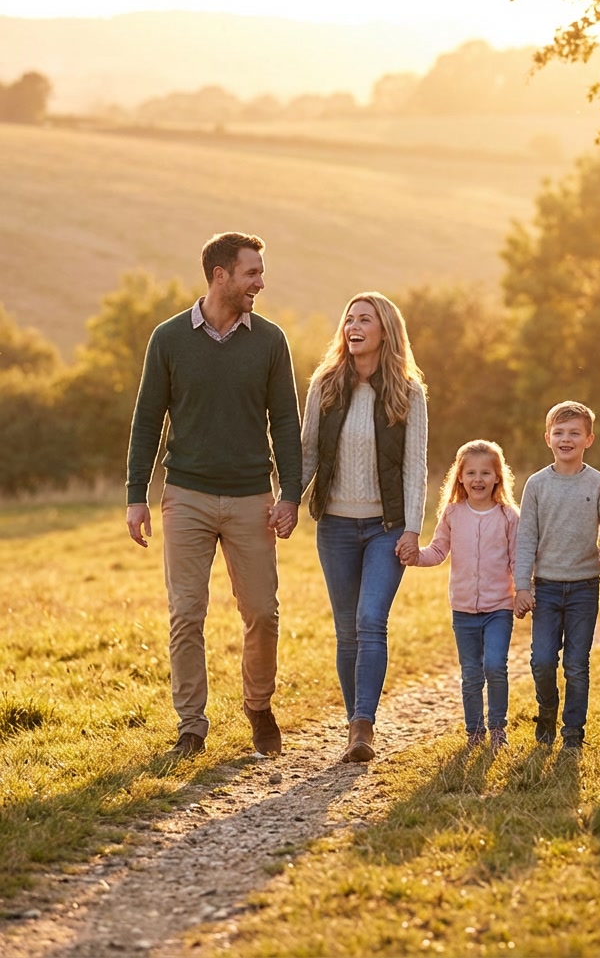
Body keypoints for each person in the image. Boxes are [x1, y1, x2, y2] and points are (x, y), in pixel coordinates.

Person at [126, 231, 302, 758]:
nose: (260, 283)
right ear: (220, 275)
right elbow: (147, 420)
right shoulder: (168, 339)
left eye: (260, 273)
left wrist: (290, 493)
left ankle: (258, 705)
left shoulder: (270, 341)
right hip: (187, 495)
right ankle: (191, 726)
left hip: (252, 497)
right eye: (252, 273)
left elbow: (285, 422)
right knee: (186, 613)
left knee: (262, 612)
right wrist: (136, 494)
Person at [301, 292, 427, 763]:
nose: (353, 326)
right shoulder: (325, 385)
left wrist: (412, 529)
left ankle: (363, 725)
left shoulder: (408, 392)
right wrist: (285, 501)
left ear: (385, 331)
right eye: (349, 319)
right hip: (334, 526)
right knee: (346, 629)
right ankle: (354, 721)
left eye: (364, 320)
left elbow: (415, 466)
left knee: (371, 620)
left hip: (386, 528)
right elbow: (308, 453)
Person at [514, 401, 600, 751]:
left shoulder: (599, 482)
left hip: (584, 587)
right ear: (547, 438)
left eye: (575, 433)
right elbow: (526, 538)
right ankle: (547, 709)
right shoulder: (537, 484)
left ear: (588, 439)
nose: (566, 439)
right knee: (543, 660)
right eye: (559, 432)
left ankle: (573, 730)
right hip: (545, 587)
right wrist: (522, 586)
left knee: (576, 664)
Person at [405, 439, 519, 755]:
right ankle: (475, 732)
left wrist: (525, 590)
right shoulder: (453, 513)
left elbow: (517, 560)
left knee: (495, 666)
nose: (478, 479)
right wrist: (415, 556)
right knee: (471, 674)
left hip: (499, 607)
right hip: (463, 610)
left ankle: (498, 728)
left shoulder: (509, 516)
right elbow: (438, 550)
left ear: (497, 477)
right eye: (471, 473)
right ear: (460, 476)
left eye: (485, 472)